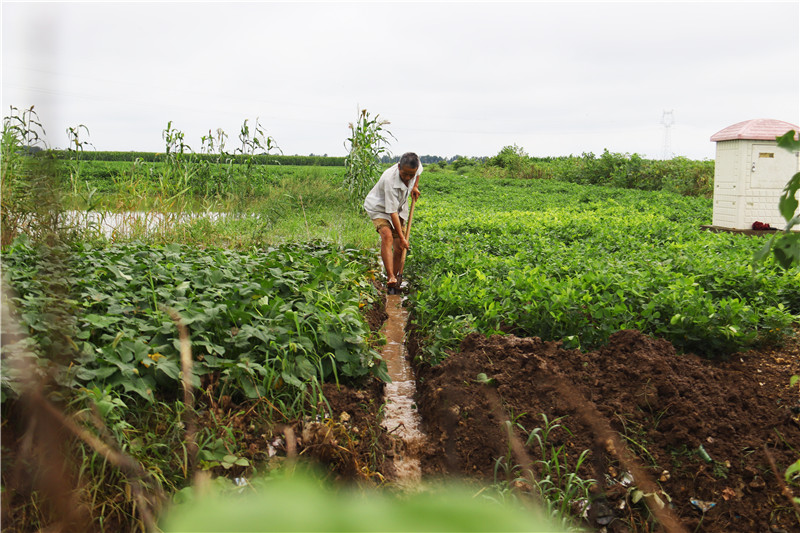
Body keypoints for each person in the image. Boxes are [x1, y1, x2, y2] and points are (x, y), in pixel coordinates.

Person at [363, 152, 422, 290]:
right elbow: (391, 212)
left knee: (400, 247)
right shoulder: (389, 179)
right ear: (399, 166)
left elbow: (419, 171)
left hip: (399, 206)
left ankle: (394, 280)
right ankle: (390, 276)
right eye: (405, 174)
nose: (408, 178)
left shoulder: (415, 167)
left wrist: (415, 186)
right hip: (379, 208)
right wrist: (402, 237)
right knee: (387, 235)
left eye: (411, 175)